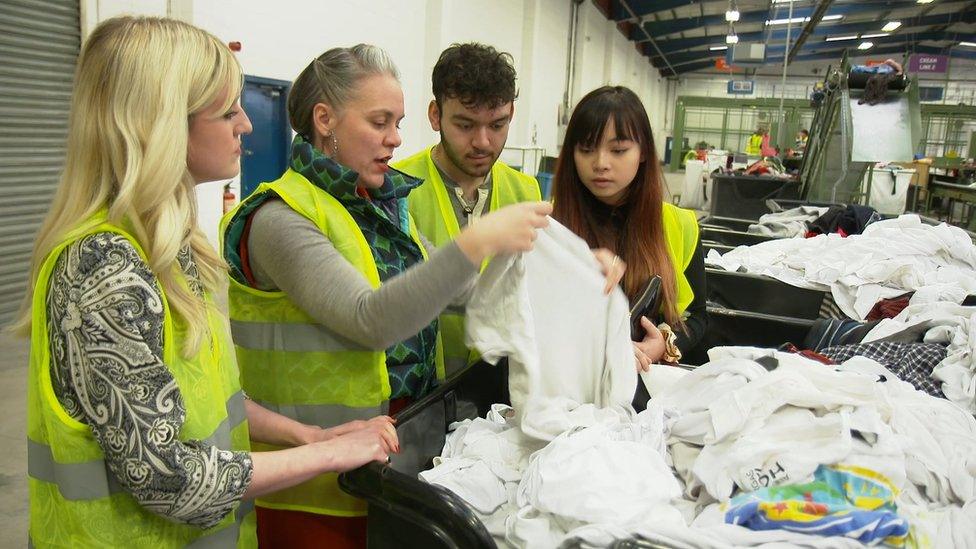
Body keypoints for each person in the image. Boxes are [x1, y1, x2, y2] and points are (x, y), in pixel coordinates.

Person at [13, 17, 398, 548]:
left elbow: (206, 406)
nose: (246, 124)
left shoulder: (171, 250)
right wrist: (329, 455)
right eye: (226, 110)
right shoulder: (101, 267)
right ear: (162, 124)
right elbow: (169, 478)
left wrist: (305, 434)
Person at [220, 44, 568, 547]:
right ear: (325, 120)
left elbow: (458, 292)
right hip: (313, 487)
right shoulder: (279, 218)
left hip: (389, 459)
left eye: (398, 122)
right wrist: (477, 240)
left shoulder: (379, 205)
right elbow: (369, 319)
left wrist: (565, 272)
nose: (395, 139)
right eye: (380, 122)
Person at [550, 86, 708, 408]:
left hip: (648, 396)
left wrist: (662, 344)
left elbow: (700, 317)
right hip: (569, 402)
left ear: (644, 152)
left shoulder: (679, 226)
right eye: (587, 149)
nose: (600, 163)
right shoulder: (549, 227)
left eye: (618, 150)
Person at [394, 43, 542, 375]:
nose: (483, 142)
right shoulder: (398, 189)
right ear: (435, 115)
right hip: (424, 392)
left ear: (511, 116)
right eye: (465, 125)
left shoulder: (526, 191)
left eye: (497, 125)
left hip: (500, 392)